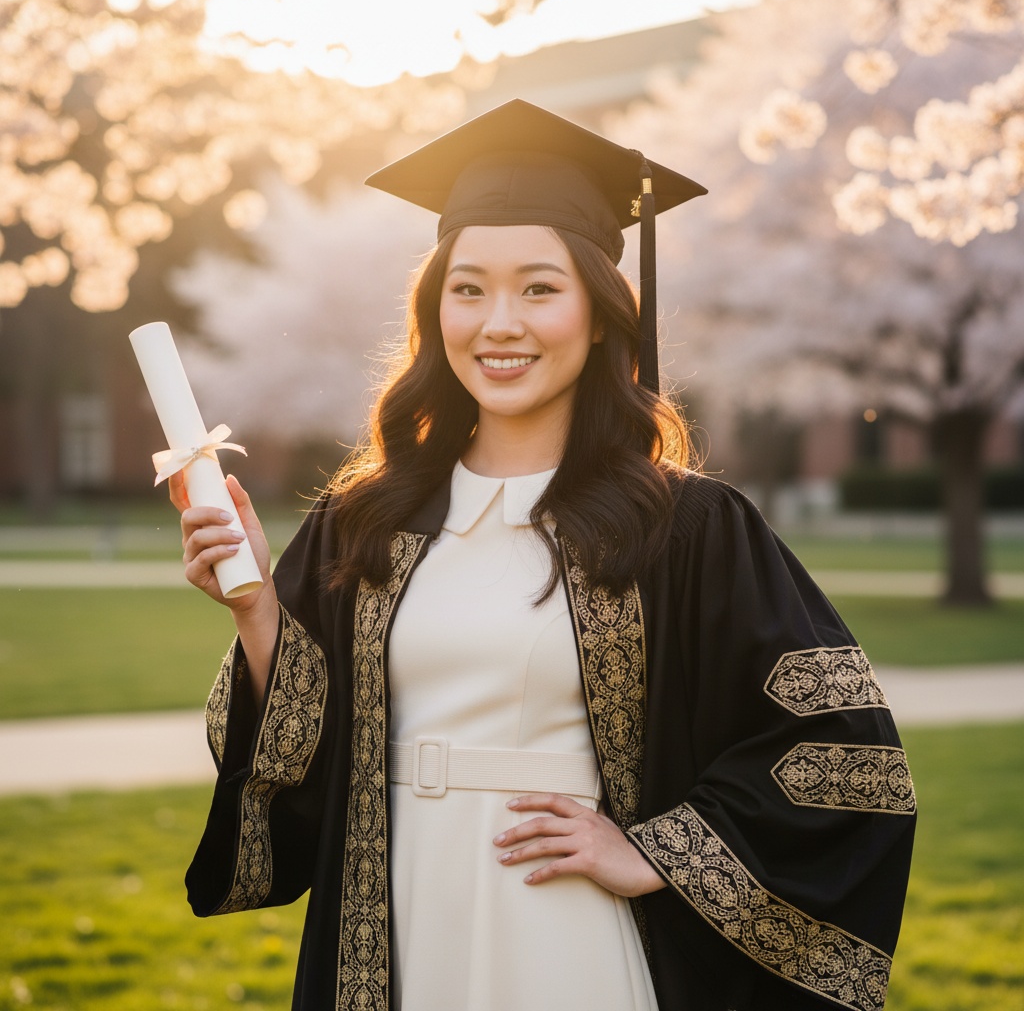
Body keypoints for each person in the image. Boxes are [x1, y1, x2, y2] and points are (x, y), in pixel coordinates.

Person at [171, 100, 915, 1011]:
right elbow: (302, 764)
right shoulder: (364, 519)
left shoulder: (684, 527)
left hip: (562, 922)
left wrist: (655, 849)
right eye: (470, 287)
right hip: (392, 920)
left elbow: (843, 750)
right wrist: (256, 613)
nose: (499, 323)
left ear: (602, 313)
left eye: (539, 288)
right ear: (434, 307)